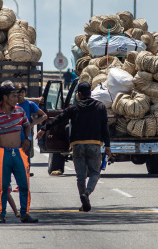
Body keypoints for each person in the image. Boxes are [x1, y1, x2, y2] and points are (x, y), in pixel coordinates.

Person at [37, 82, 111, 212]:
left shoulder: (74, 108)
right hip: (94, 145)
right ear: (90, 92)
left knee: (81, 176)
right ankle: (87, 193)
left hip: (77, 146)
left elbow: (58, 119)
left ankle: (84, 202)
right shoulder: (100, 107)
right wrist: (108, 146)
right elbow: (105, 128)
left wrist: (44, 128)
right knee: (95, 172)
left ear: (79, 94)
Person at [0, 83, 38, 223]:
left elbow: (27, 126)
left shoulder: (20, 111)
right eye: (13, 95)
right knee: (2, 186)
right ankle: (1, 215)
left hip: (19, 152)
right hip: (2, 153)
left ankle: (25, 214)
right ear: (5, 97)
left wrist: (28, 138)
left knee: (24, 184)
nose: (17, 98)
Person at [16, 84, 48, 178]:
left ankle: (24, 181)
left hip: (26, 136)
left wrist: (31, 125)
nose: (20, 95)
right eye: (18, 92)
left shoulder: (30, 104)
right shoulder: (12, 104)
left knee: (26, 158)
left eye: (22, 92)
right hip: (13, 136)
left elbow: (44, 115)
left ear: (25, 93)